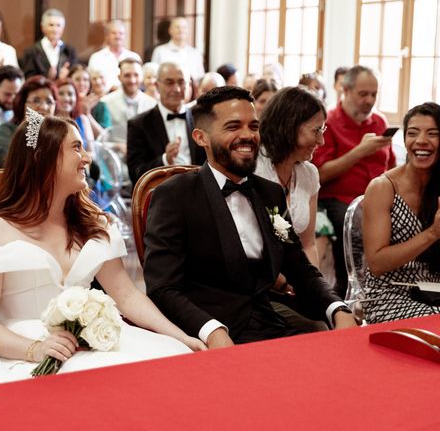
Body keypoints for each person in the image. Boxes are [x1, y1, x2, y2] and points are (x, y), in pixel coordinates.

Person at [0, 114, 205, 394]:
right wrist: (34, 350)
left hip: (88, 345)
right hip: (14, 351)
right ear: (43, 159)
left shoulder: (93, 223)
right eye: (77, 148)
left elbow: (127, 296)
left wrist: (179, 336)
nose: (87, 158)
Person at [143, 86, 356, 347]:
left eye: (253, 127)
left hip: (269, 321)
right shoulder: (175, 195)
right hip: (207, 329)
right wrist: (212, 331)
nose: (248, 136)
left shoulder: (269, 193)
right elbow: (162, 288)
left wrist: (337, 308)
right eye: (233, 127)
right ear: (201, 138)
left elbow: (299, 267)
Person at [312, 65, 395, 297]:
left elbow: (393, 166)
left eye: (374, 94)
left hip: (379, 196)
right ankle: (348, 289)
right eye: (363, 94)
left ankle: (390, 289)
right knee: (350, 222)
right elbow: (321, 174)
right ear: (345, 91)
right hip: (339, 198)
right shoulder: (328, 122)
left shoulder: (379, 121)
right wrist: (359, 152)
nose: (369, 100)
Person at [362, 102, 440, 323]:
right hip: (389, 296)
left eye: (432, 133)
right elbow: (376, 263)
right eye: (413, 133)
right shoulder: (382, 187)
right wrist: (432, 234)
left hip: (434, 292)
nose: (421, 141)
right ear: (405, 141)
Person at [256, 87, 326, 267]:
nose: (321, 141)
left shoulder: (308, 174)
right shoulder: (253, 167)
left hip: (294, 275)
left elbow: (308, 244)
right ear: (290, 127)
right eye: (316, 130)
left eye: (322, 130)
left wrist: (313, 287)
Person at [127, 62, 205, 185]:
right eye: (169, 83)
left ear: (189, 85)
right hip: (158, 197)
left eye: (181, 82)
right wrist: (165, 159)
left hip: (199, 192)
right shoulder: (139, 124)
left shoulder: (202, 120)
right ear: (157, 85)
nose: (177, 89)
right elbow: (135, 173)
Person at [0, 76, 57, 169]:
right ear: (23, 104)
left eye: (49, 102)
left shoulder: (56, 136)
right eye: (36, 101)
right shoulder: (8, 131)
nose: (43, 107)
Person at [21, 8, 77, 80]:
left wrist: (67, 76)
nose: (55, 29)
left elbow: (75, 76)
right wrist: (47, 77)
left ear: (63, 29)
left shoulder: (70, 51)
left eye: (58, 25)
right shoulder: (31, 52)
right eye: (51, 25)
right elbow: (28, 79)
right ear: (42, 27)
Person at [88, 20, 141, 90]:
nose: (117, 36)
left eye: (121, 33)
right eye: (114, 33)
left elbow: (140, 82)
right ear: (107, 36)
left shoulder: (134, 57)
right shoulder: (96, 58)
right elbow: (90, 81)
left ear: (125, 36)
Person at [151, 17, 204, 82]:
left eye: (184, 27)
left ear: (188, 31)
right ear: (170, 30)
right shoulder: (159, 51)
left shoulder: (196, 53)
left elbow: (201, 78)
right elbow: (153, 76)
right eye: (177, 27)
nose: (181, 30)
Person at [68, 64, 111, 137]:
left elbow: (105, 137)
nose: (82, 83)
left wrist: (87, 114)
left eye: (85, 80)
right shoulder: (65, 104)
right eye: (77, 79)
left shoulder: (101, 106)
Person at [55, 78, 94, 152]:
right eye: (61, 94)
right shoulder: (48, 123)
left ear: (76, 98)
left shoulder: (83, 120)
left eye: (70, 94)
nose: (66, 98)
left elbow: (91, 152)